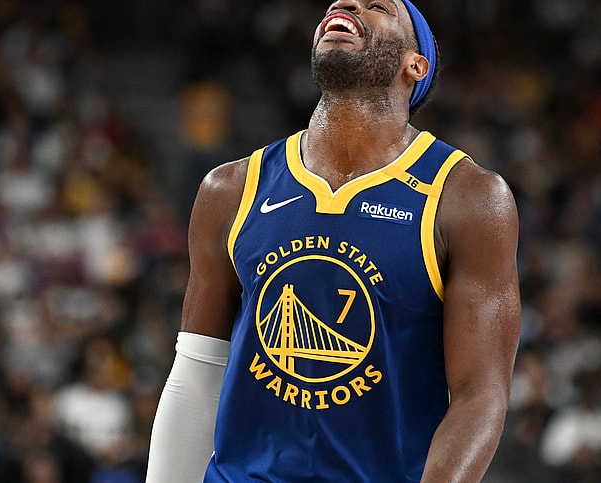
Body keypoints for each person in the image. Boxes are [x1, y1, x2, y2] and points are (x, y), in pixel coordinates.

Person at [145, 0, 522, 481]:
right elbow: (199, 372)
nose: (346, 3)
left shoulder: (467, 196)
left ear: (415, 64)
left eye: (377, 6)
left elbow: (480, 395)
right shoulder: (231, 188)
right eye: (342, 1)